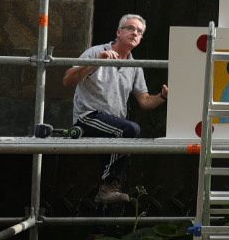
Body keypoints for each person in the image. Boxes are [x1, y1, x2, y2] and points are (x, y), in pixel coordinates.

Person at [64, 14, 169, 203]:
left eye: (139, 31)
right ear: (118, 32)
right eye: (130, 28)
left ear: (141, 38)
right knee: (131, 130)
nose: (134, 33)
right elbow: (68, 80)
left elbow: (145, 101)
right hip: (87, 117)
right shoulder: (96, 52)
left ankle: (107, 197)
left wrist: (162, 97)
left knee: (127, 132)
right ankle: (109, 185)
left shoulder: (135, 66)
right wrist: (96, 62)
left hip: (114, 125)